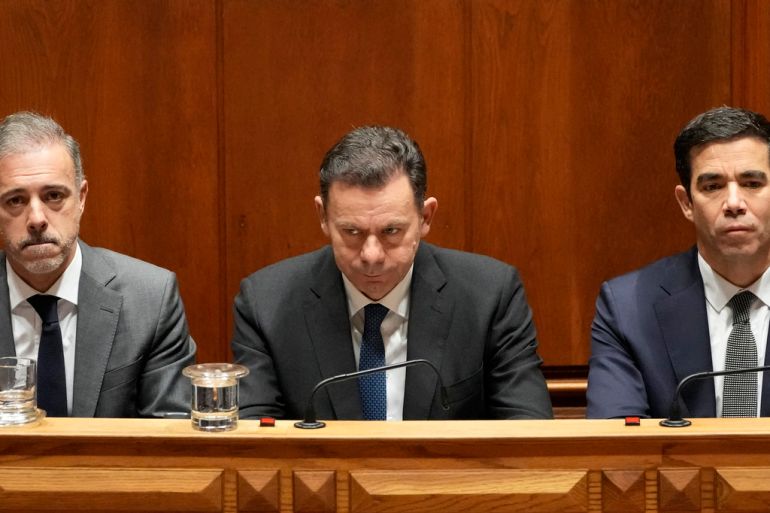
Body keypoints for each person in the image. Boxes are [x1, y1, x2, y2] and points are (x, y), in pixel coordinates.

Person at [232, 125, 552, 420]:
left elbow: (529, 433)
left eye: (391, 231)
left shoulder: (490, 296)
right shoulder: (266, 305)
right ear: (323, 217)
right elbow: (255, 445)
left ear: (426, 217)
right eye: (352, 232)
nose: (371, 256)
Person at [0, 111, 196, 418]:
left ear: (81, 198)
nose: (36, 219)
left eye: (54, 195)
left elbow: (168, 436)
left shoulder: (150, 300)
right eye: (15, 200)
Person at [587, 106, 770, 419]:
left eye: (752, 183)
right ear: (686, 203)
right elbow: (618, 438)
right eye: (713, 186)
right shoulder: (628, 308)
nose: (734, 203)